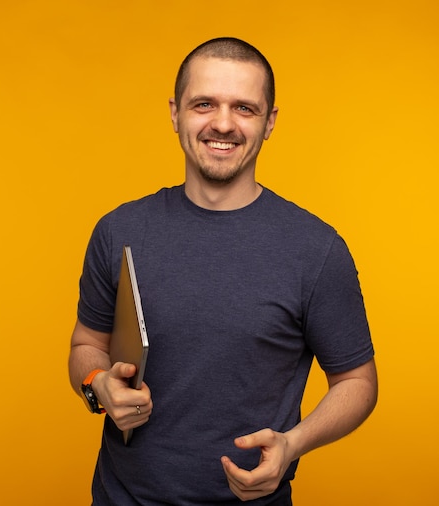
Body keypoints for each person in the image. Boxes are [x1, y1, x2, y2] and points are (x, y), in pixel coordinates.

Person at [68, 37, 377, 505]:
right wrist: (98, 386)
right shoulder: (118, 231)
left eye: (245, 108)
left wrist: (293, 444)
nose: (223, 123)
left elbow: (358, 382)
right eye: (204, 104)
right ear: (175, 113)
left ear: (270, 122)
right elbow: (86, 346)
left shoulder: (316, 250)